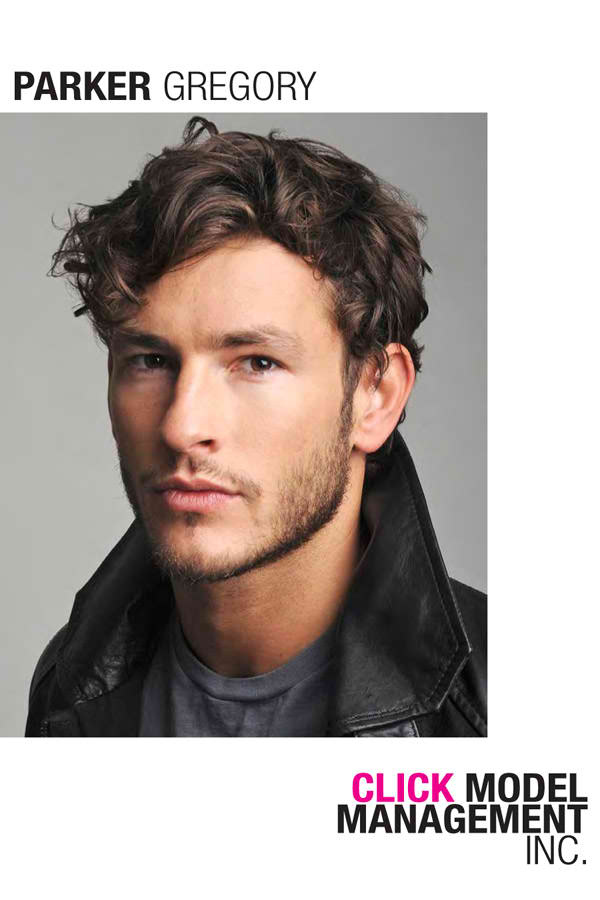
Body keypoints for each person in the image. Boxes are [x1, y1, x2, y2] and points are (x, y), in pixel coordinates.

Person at [25, 117, 486, 738]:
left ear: (376, 396)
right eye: (151, 361)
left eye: (257, 363)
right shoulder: (73, 683)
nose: (182, 426)